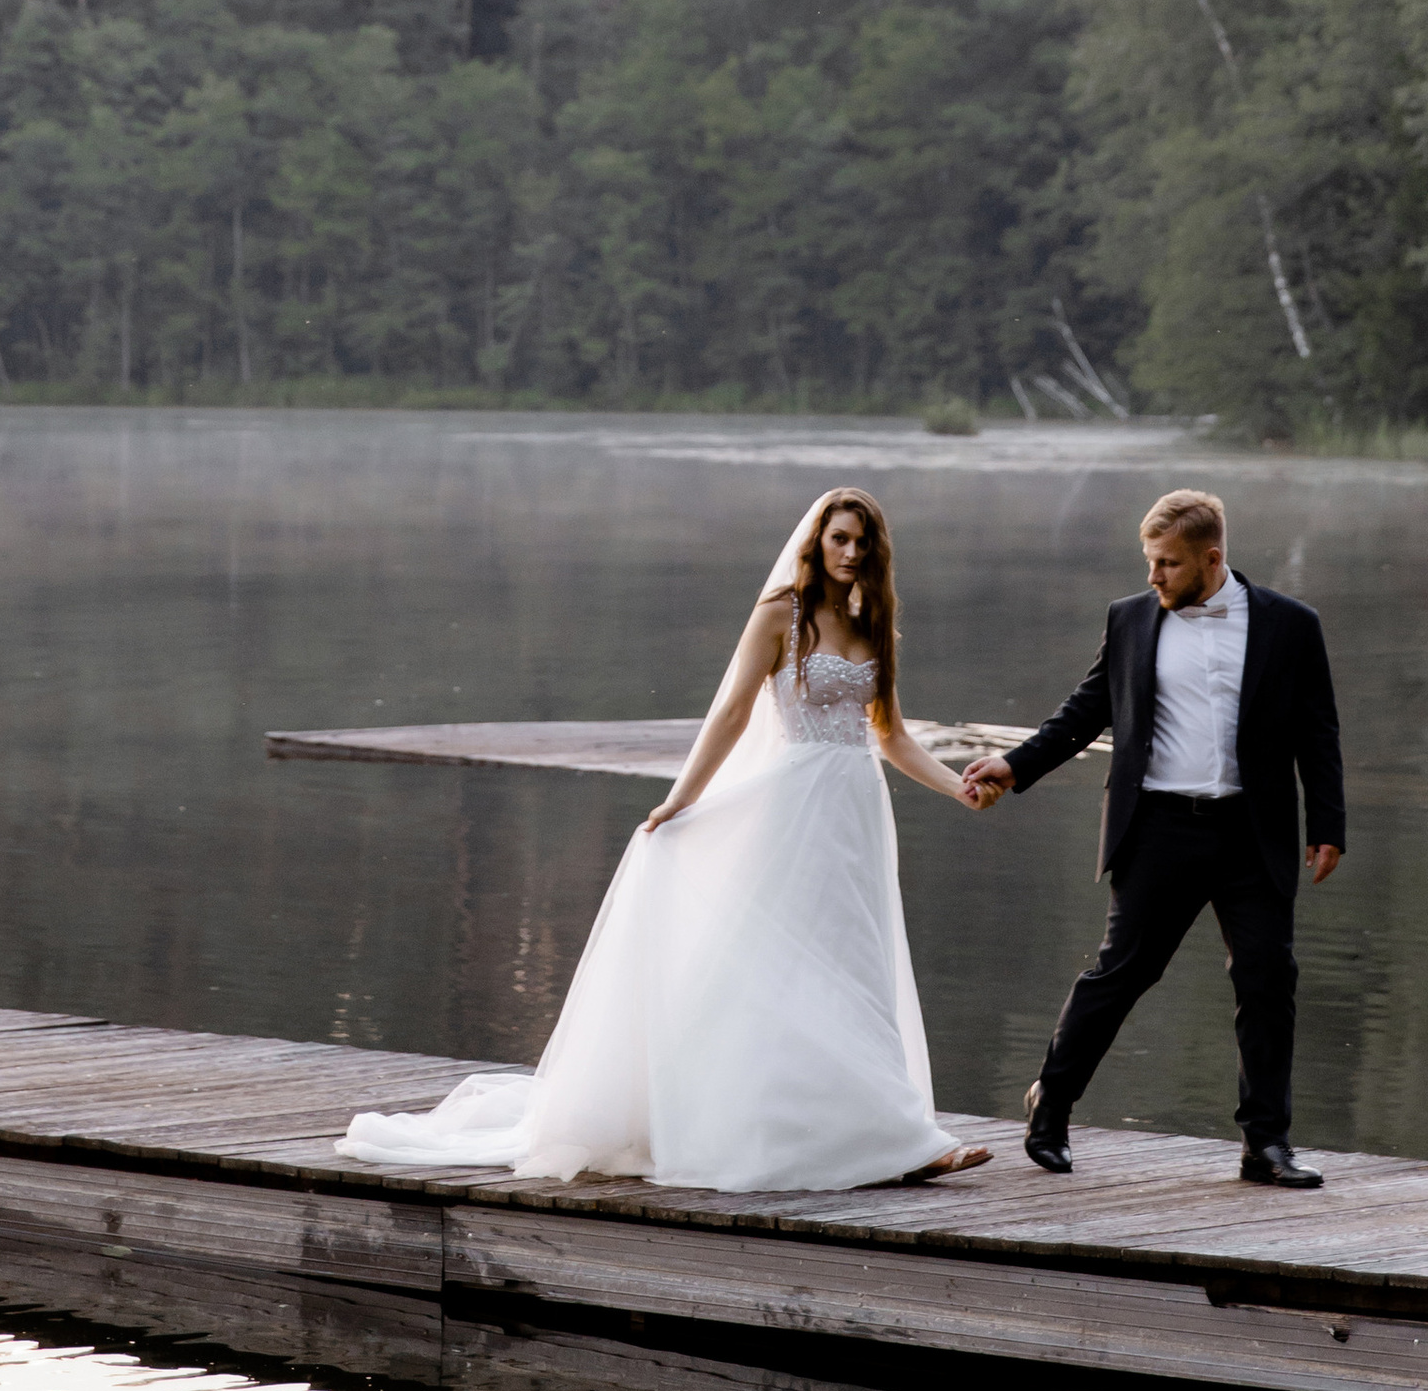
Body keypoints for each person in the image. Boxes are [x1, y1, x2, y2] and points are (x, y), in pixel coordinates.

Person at [338, 489, 991, 1193]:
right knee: (785, 967)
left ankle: (888, 1133)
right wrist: (683, 798)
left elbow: (890, 736)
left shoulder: (872, 624)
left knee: (858, 966)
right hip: (794, 809)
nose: (850, 553)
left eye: (862, 543)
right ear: (816, 541)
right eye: (839, 538)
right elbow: (734, 712)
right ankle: (872, 1137)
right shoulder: (782, 616)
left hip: (856, 813)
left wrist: (959, 787)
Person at [959, 486, 1343, 1188]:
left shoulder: (1289, 625)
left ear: (1211, 557)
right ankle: (1051, 1107)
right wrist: (1014, 766)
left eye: (1167, 563)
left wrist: (1328, 826)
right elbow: (1085, 711)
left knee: (1268, 980)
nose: (1153, 576)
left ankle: (1267, 1144)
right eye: (1149, 561)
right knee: (1122, 972)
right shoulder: (1133, 619)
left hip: (1251, 833)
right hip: (1159, 826)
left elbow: (1317, 730)